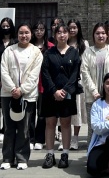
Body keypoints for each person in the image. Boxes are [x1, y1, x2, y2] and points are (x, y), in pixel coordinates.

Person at [0, 23, 43, 170]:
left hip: (27, 95)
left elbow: (34, 76)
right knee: (9, 127)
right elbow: (4, 71)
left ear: (31, 34)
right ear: (17, 34)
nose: (24, 36)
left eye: (27, 33)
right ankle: (7, 158)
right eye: (21, 33)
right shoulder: (9, 50)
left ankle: (22, 158)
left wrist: (22, 90)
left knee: (24, 128)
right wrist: (13, 89)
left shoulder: (36, 52)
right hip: (8, 94)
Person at [41, 24, 81, 169]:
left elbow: (75, 74)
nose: (62, 35)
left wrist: (65, 91)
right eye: (59, 32)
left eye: (64, 32)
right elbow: (45, 73)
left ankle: (65, 154)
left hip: (67, 94)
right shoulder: (49, 53)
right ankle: (50, 154)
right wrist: (54, 91)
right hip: (50, 94)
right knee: (50, 123)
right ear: (55, 35)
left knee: (65, 123)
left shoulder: (74, 53)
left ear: (68, 35)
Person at [81, 22, 109, 145]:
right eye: (97, 33)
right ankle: (91, 152)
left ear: (107, 35)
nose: (101, 36)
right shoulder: (88, 52)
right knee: (92, 128)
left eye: (103, 33)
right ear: (93, 35)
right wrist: (94, 91)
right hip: (92, 96)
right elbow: (85, 72)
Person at [0, 18, 16, 143]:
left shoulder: (15, 42)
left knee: (8, 104)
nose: (5, 28)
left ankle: (4, 130)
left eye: (7, 26)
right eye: (3, 26)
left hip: (11, 76)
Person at [29, 20, 53, 150]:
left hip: (44, 84)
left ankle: (40, 139)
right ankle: (30, 139)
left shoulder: (50, 46)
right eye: (36, 29)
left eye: (41, 29)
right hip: (30, 83)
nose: (39, 32)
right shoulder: (28, 46)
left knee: (42, 114)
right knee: (30, 113)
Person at [66, 19, 88, 151]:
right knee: (65, 110)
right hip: (64, 80)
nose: (72, 30)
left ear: (78, 29)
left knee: (77, 110)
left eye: (74, 27)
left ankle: (75, 138)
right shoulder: (64, 42)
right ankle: (65, 138)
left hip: (78, 80)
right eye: (70, 28)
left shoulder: (84, 44)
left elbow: (85, 63)